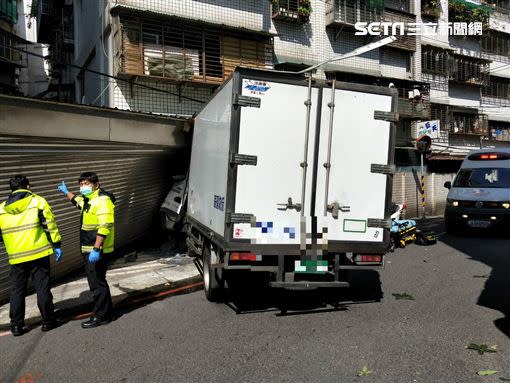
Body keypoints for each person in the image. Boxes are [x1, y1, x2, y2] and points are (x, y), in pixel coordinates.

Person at [0, 175, 62, 336]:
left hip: (16, 256)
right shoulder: (37, 201)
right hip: (38, 253)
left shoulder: (1, 209)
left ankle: (16, 326)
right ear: (27, 186)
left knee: (17, 290)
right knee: (42, 287)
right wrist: (56, 245)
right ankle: (48, 322)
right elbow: (50, 225)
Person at [58, 172, 115, 328]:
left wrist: (96, 249)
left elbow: (105, 226)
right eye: (81, 184)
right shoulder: (89, 200)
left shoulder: (102, 201)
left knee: (96, 285)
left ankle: (101, 316)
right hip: (90, 249)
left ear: (97, 184)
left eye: (87, 184)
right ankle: (107, 312)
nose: (83, 187)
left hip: (95, 251)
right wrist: (66, 192)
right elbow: (77, 202)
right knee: (100, 282)